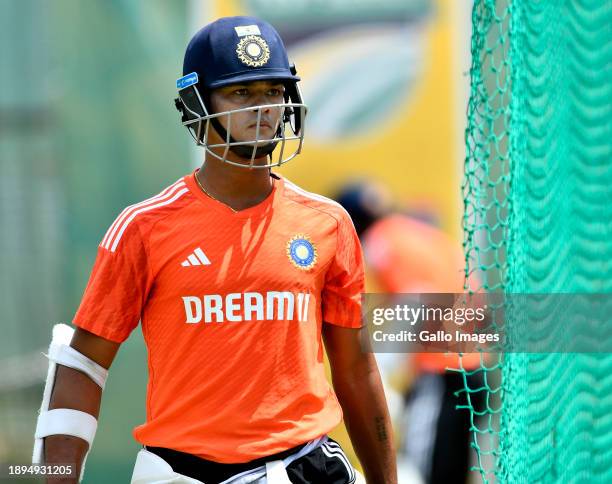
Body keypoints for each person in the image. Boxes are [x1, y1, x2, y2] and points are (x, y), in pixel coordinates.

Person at [33, 16, 397, 484]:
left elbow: (354, 367)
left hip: (307, 466)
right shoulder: (144, 227)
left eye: (272, 90)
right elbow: (82, 365)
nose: (263, 108)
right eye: (241, 93)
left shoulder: (328, 223)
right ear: (196, 105)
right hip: (181, 472)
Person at [335, 182, 484, 484]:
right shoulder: (417, 232)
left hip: (441, 375)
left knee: (420, 473)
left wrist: (381, 369)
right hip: (473, 369)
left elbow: (417, 298)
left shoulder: (381, 241)